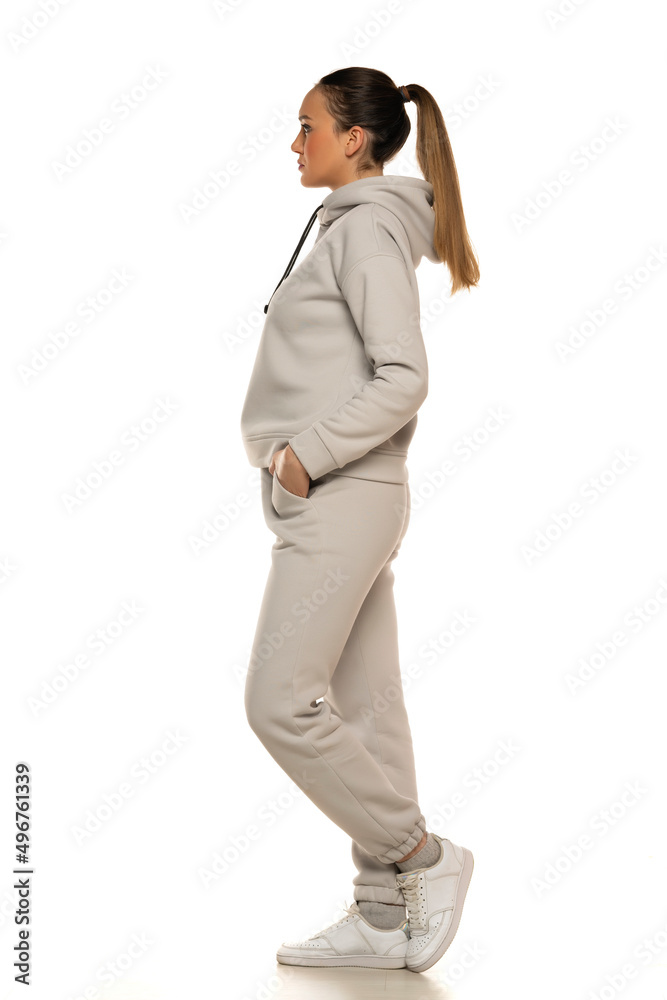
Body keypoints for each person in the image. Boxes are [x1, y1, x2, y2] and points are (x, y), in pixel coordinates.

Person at [239, 66, 480, 974]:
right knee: (365, 707)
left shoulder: (367, 229)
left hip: (340, 491)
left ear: (355, 139)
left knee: (278, 703)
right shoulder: (350, 225)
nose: (294, 142)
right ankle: (384, 913)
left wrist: (304, 455)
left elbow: (404, 376)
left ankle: (420, 856)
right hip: (344, 495)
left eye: (307, 126)